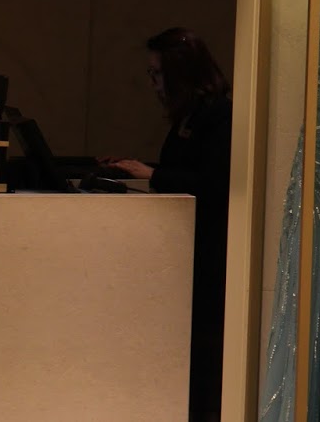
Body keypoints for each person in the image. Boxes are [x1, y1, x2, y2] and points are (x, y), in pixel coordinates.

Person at [105, 28, 233, 422]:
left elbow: (216, 183)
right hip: (185, 245)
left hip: (209, 249)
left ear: (180, 73)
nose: (153, 83)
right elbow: (186, 169)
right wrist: (143, 170)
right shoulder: (190, 116)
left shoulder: (219, 116)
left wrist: (154, 175)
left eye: (157, 74)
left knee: (204, 349)